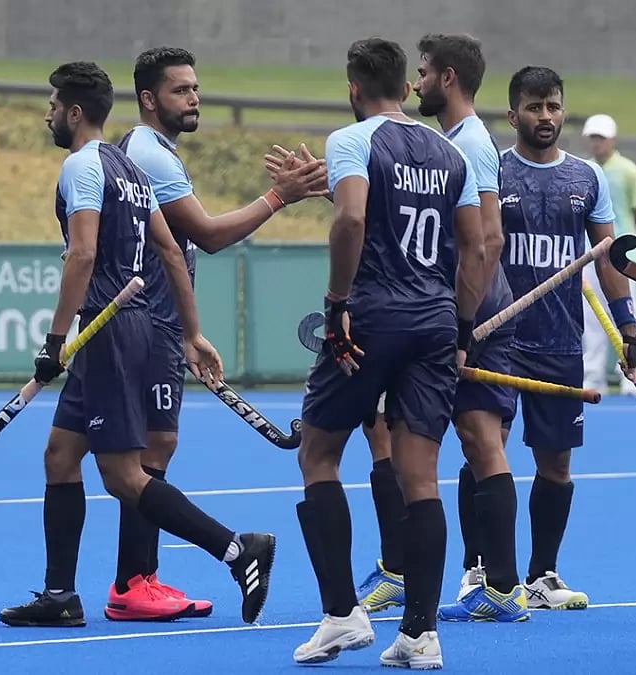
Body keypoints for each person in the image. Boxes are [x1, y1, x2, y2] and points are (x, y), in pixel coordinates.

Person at [0, 61, 276, 629]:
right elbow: (171, 252)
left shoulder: (80, 166)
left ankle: (236, 549)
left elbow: (81, 254)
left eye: (54, 106)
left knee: (123, 475)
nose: (48, 115)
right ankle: (59, 595)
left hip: (108, 330)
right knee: (60, 455)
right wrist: (192, 332)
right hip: (129, 325)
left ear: (75, 112)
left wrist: (54, 342)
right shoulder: (130, 169)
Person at [102, 46, 326, 622]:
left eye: (196, 88)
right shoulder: (147, 153)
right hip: (145, 322)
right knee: (132, 456)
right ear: (148, 99)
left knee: (148, 449)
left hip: (156, 322)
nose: (194, 98)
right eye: (180, 90)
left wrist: (187, 330)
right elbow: (207, 234)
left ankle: (135, 581)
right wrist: (278, 197)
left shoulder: (151, 150)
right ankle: (142, 578)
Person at [289, 38, 488, 669]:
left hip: (371, 317)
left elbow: (351, 220)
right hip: (434, 322)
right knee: (420, 476)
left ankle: (342, 615)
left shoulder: (352, 140)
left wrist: (336, 303)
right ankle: (419, 635)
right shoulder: (451, 152)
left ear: (353, 88)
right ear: (405, 88)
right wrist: (461, 329)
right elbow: (477, 247)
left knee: (318, 453)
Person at [349, 32, 528, 624]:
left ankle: (501, 586)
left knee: (478, 439)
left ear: (447, 77)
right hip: (441, 314)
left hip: (469, 316)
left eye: (424, 72)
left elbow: (489, 239)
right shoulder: (443, 142)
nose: (417, 82)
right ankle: (402, 572)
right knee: (394, 432)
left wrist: (462, 324)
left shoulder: (469, 143)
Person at [494, 65, 636, 611]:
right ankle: (482, 574)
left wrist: (628, 330)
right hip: (499, 340)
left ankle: (542, 575)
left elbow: (609, 260)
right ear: (513, 114)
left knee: (556, 466)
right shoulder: (492, 171)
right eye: (534, 107)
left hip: (560, 342)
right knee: (485, 453)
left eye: (554, 106)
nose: (546, 116)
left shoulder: (588, 177)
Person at [579, 113, 636, 396]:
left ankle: (631, 376)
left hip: (624, 257)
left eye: (601, 137)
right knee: (591, 317)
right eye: (593, 138)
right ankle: (593, 375)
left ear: (612, 139)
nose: (597, 143)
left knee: (629, 316)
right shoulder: (584, 170)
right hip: (590, 253)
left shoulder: (629, 171)